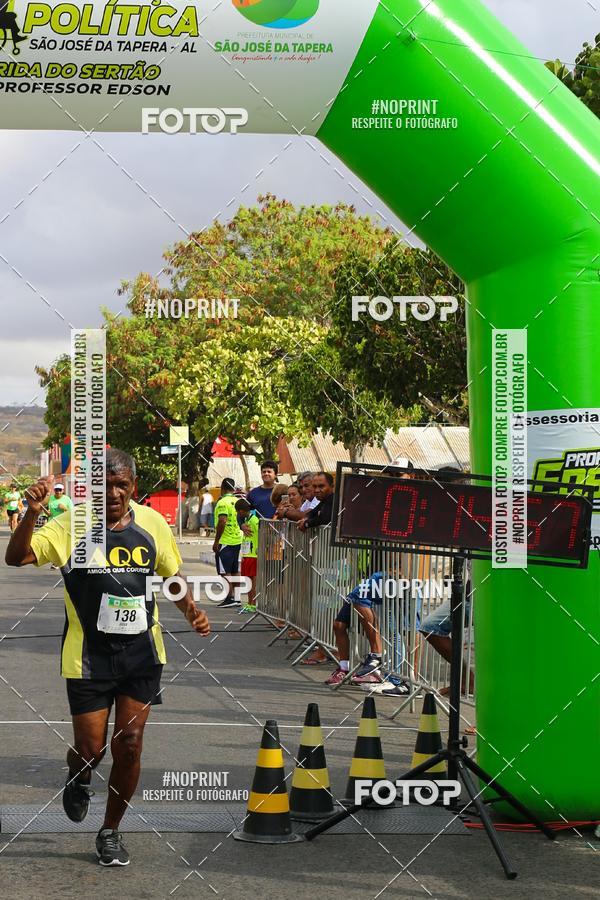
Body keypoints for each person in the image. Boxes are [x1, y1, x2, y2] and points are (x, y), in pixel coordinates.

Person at [5, 449, 210, 867]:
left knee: (130, 745)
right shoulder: (71, 525)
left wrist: (192, 611)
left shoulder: (153, 524)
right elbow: (17, 557)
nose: (114, 494)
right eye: (105, 485)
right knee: (90, 748)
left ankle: (111, 830)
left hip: (141, 654)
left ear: (133, 486)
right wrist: (31, 513)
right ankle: (80, 774)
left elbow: (170, 575)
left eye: (122, 485)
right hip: (89, 658)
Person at [212, 478, 243, 608]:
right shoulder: (238, 501)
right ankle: (237, 597)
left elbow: (222, 521)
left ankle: (229, 597)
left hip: (225, 541)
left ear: (222, 488)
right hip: (237, 540)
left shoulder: (222, 502)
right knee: (234, 569)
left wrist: (217, 540)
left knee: (224, 571)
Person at [235, 498, 259, 612]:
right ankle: (249, 603)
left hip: (253, 555)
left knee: (253, 581)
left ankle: (253, 603)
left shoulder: (254, 521)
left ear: (241, 511)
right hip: (246, 554)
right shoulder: (246, 520)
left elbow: (260, 536)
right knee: (248, 581)